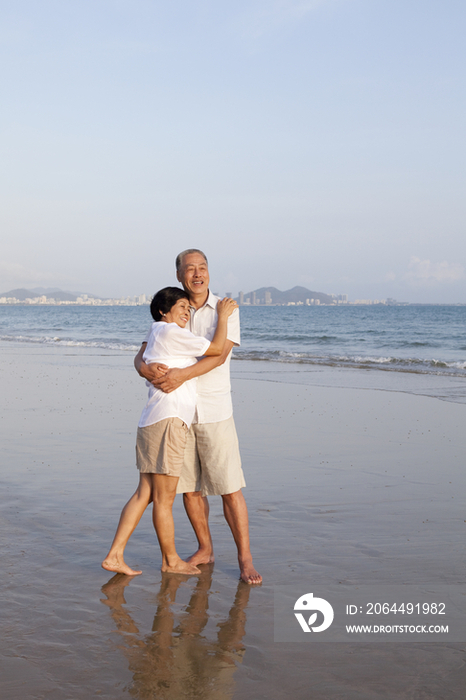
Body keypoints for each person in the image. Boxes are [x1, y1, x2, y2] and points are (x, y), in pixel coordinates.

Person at [134, 249, 262, 585]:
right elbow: (142, 352)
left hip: (215, 409)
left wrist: (180, 375)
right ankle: (205, 549)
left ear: (209, 272)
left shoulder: (226, 309)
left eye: (202, 267)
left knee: (229, 486)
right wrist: (145, 369)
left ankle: (245, 559)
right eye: (189, 269)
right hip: (177, 413)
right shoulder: (171, 306)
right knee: (189, 489)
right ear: (179, 275)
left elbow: (218, 357)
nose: (197, 274)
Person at [102, 286, 237, 576]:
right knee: (164, 499)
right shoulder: (170, 332)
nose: (187, 313)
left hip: (153, 421)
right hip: (169, 421)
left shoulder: (157, 333)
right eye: (181, 308)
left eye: (189, 309)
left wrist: (141, 364)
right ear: (164, 311)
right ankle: (171, 560)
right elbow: (215, 350)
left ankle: (115, 555)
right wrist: (223, 316)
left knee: (145, 494)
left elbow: (140, 357)